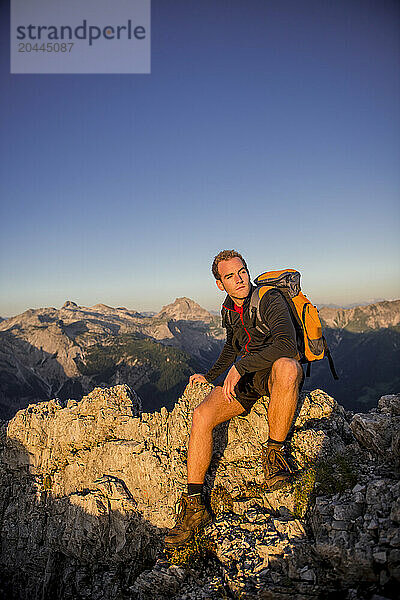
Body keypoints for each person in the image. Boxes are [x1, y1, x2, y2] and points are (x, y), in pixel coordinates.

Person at [164, 249, 304, 547]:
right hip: (249, 377)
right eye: (230, 276)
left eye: (242, 271)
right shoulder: (228, 308)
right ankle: (194, 506)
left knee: (289, 367)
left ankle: (275, 457)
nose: (240, 279)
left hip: (272, 373)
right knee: (201, 416)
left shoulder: (269, 299)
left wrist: (240, 367)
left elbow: (287, 344)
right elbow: (231, 345)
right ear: (220, 283)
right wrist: (211, 375)